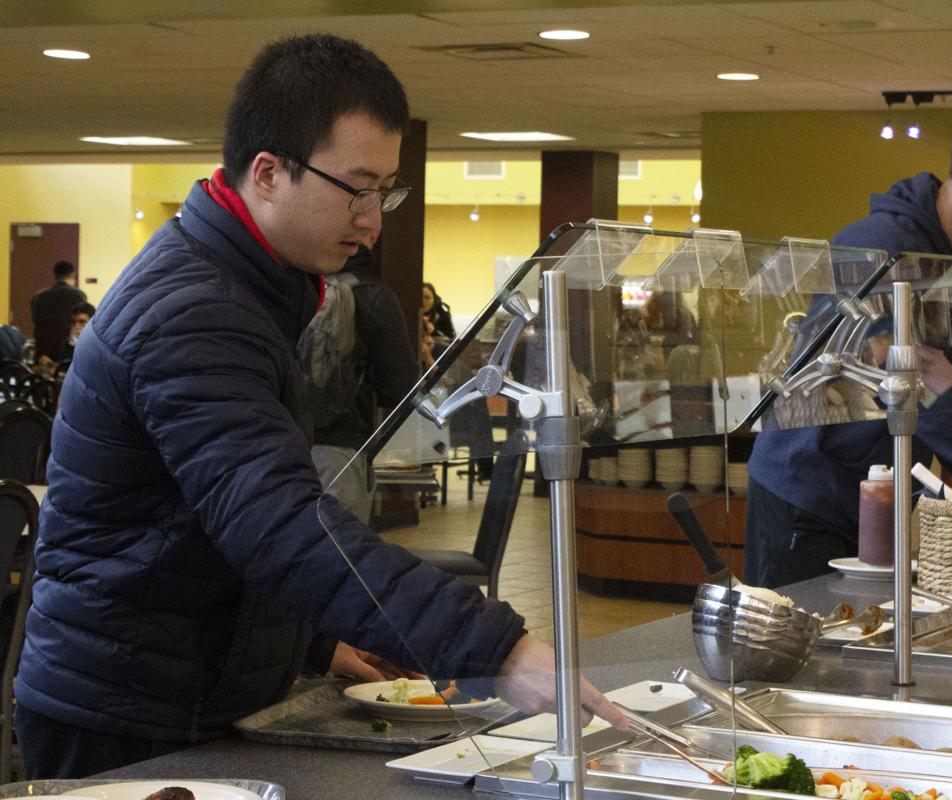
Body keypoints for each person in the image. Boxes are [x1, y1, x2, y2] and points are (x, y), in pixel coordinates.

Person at [15, 33, 622, 779]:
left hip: (186, 687)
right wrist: (494, 648)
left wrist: (306, 639)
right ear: (268, 172)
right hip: (128, 710)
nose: (373, 221)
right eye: (356, 189)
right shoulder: (192, 309)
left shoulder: (246, 284)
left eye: (385, 192)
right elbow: (273, 520)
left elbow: (197, 517)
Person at [745, 108, 952, 588]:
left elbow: (951, 391)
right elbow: (914, 389)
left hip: (879, 486)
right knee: (797, 644)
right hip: (807, 484)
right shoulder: (881, 248)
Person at [309, 244, 418, 523]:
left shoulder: (296, 287)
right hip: (342, 445)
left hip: (282, 442)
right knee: (339, 549)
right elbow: (399, 387)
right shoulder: (372, 295)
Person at [29, 260, 86, 366]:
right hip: (68, 356)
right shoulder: (79, 296)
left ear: (54, 277)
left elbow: (35, 324)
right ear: (73, 275)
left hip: (42, 356)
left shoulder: (38, 297)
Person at [54, 301, 95, 368]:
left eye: (81, 322)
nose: (76, 326)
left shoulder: (98, 346)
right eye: (73, 322)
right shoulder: (67, 343)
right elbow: (65, 368)